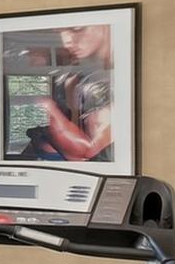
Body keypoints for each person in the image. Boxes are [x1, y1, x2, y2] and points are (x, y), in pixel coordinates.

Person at [16, 24, 114, 163]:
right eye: (60, 32)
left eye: (76, 29)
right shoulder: (76, 77)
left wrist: (50, 109)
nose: (66, 41)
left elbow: (86, 153)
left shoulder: (112, 82)